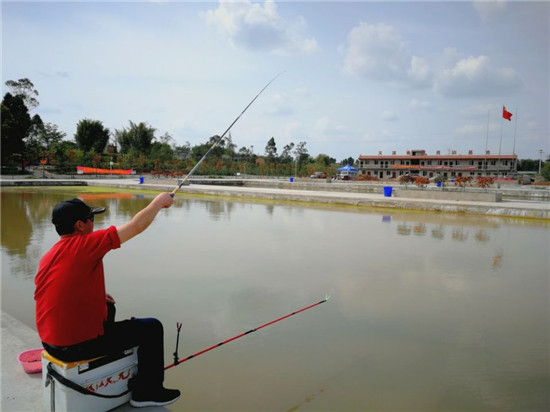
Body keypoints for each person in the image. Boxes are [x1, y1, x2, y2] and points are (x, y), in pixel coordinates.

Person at [34, 193, 180, 408]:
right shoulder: (85, 244)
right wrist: (158, 202)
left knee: (108, 307)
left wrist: (97, 297)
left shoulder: (51, 254)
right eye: (91, 218)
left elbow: (58, 289)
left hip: (50, 342)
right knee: (151, 328)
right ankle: (147, 392)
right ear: (80, 225)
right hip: (74, 347)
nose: (94, 222)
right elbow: (136, 226)